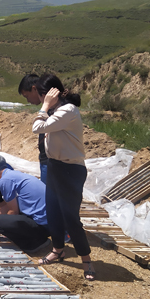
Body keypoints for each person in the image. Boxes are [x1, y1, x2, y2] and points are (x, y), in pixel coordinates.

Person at [28, 72, 95, 280]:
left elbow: (37, 127)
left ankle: (86, 260)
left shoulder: (68, 111)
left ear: (47, 94)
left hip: (70, 169)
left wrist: (44, 106)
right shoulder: (57, 111)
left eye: (42, 96)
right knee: (53, 212)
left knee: (71, 217)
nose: (41, 100)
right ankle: (57, 249)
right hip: (55, 166)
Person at [0, 155, 51, 254]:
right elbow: (9, 205)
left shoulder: (4, 181)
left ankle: (35, 243)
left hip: (43, 226)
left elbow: (13, 211)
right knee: (2, 218)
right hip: (52, 224)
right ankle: (39, 237)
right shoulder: (13, 175)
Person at [18, 73, 48, 185]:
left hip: (50, 161)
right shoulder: (48, 108)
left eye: (27, 96)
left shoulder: (50, 109)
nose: (28, 101)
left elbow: (38, 128)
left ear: (34, 89)